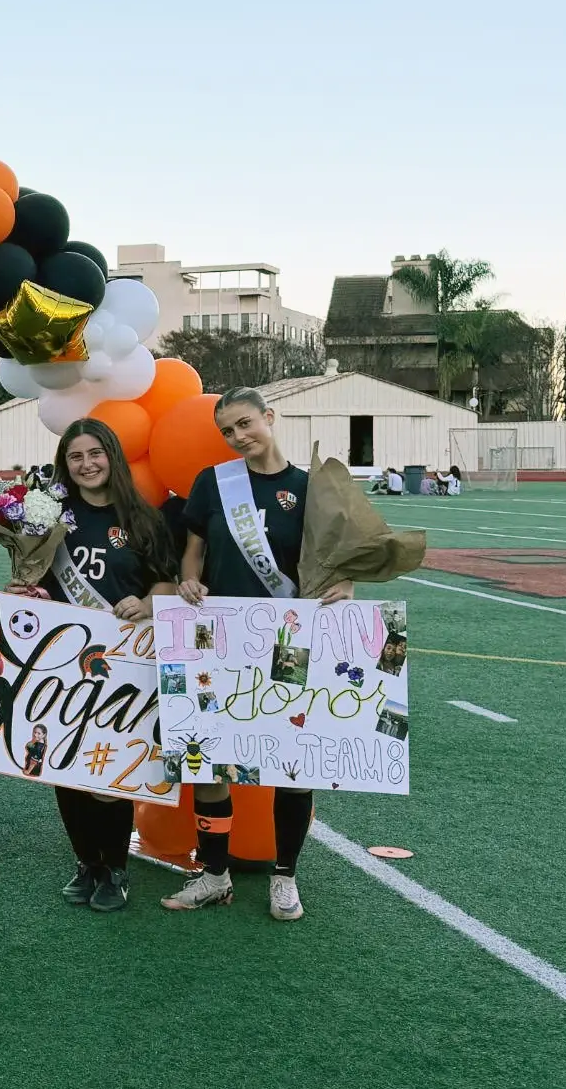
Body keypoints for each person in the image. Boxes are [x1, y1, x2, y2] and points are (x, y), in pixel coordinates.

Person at [165, 387, 353, 922]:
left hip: (288, 642)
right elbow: (193, 549)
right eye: (228, 431)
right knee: (207, 762)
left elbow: (333, 559)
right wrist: (188, 580)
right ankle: (216, 874)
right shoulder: (214, 483)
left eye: (246, 424)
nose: (239, 437)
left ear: (270, 418)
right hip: (217, 640)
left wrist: (347, 586)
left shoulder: (309, 486)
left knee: (293, 762)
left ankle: (285, 876)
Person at [12, 417, 179, 913]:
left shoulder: (144, 519)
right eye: (75, 457)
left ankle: (116, 869)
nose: (86, 464)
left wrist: (149, 603)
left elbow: (167, 582)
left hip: (123, 663)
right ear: (65, 464)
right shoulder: (48, 516)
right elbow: (32, 577)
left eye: (94, 454)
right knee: (65, 762)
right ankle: (86, 862)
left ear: (112, 456)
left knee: (110, 768)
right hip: (61, 659)